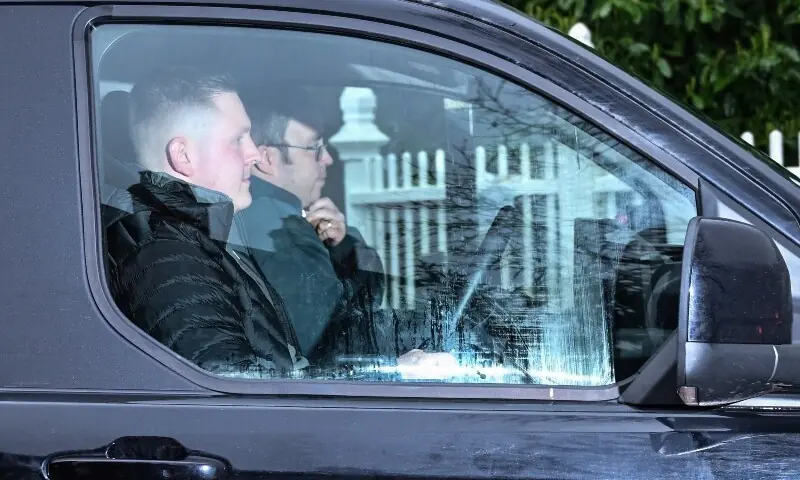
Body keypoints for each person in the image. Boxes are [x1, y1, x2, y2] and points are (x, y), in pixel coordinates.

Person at [103, 67, 308, 378]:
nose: (254, 153)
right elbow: (228, 381)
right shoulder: (165, 255)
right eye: (238, 139)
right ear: (183, 155)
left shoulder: (195, 235)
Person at [232, 98, 386, 362]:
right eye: (314, 148)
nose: (327, 158)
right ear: (267, 158)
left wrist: (343, 246)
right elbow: (335, 341)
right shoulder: (279, 229)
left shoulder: (267, 216)